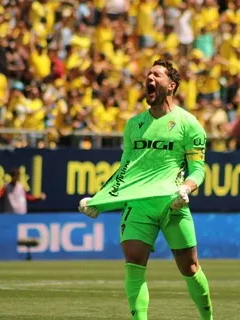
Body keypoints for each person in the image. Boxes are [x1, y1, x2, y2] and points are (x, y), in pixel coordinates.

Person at [78, 59, 213, 320]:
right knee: (134, 263)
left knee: (190, 266)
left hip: (172, 203)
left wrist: (187, 187)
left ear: (171, 85)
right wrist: (99, 200)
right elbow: (125, 170)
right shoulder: (133, 125)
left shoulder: (189, 124)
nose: (149, 78)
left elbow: (198, 169)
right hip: (138, 205)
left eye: (157, 75)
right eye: (148, 74)